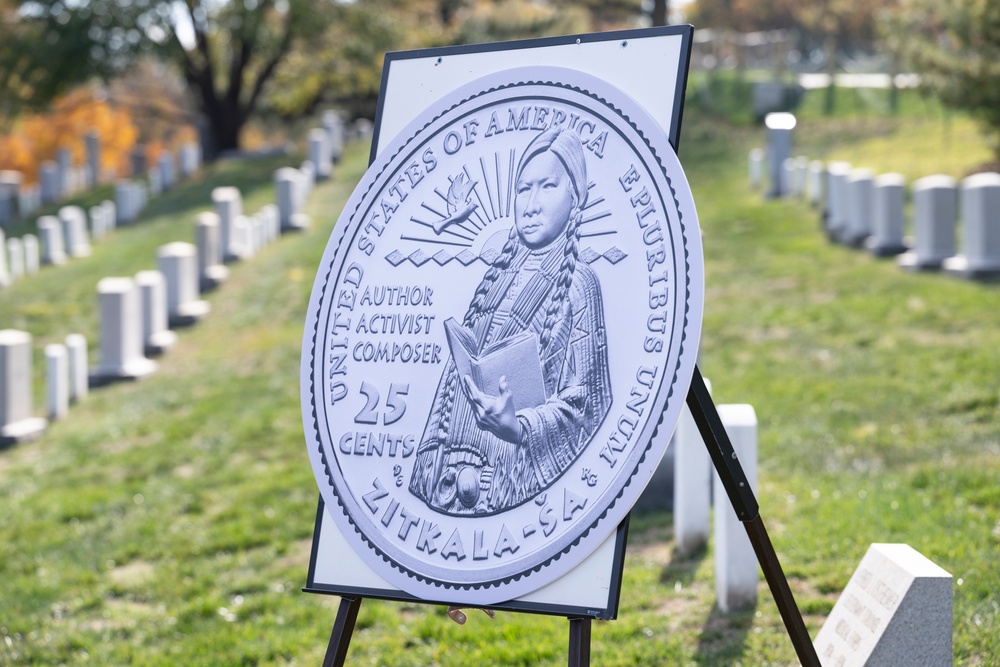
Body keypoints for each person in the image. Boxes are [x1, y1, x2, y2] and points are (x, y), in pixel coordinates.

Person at [409, 126, 613, 515]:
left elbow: (586, 406)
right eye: (523, 189)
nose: (531, 204)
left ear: (575, 197)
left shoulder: (580, 284)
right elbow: (453, 389)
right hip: (448, 485)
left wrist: (518, 427)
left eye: (547, 187)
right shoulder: (495, 279)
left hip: (511, 490)